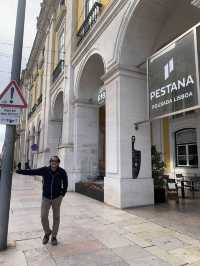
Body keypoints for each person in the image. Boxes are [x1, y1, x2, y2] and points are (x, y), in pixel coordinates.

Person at [16, 155, 68, 246]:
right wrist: (20, 171)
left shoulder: (62, 172)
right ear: (50, 162)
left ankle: (54, 236)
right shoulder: (45, 170)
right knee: (43, 216)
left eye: (55, 161)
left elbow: (65, 183)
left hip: (57, 198)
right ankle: (47, 232)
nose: (54, 163)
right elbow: (33, 172)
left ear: (58, 162)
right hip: (46, 198)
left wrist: (62, 194)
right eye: (52, 161)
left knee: (56, 217)